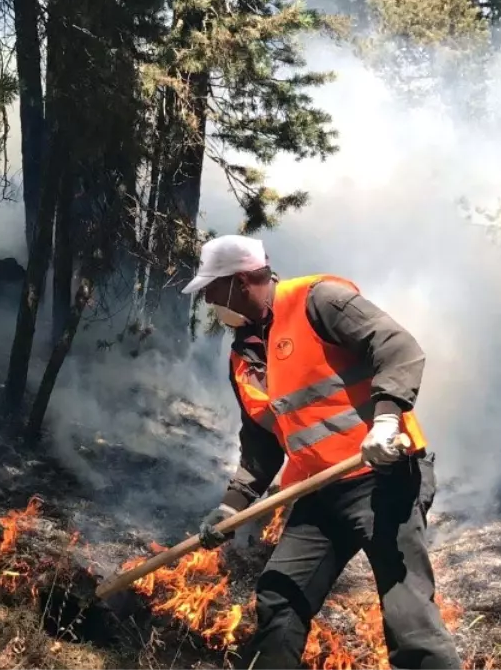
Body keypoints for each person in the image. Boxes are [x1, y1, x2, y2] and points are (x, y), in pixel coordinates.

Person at [182, 235, 463, 670]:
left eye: (211, 290)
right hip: (320, 490)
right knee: (280, 597)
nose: (207, 301)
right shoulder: (244, 356)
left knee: (409, 618)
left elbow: (398, 348)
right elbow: (261, 443)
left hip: (384, 477)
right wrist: (229, 506)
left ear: (240, 281)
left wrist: (387, 419)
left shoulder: (318, 301)